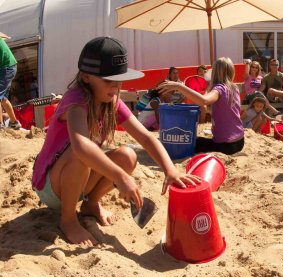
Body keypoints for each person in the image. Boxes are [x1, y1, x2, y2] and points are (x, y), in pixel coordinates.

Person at [31, 37, 200, 246]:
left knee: (128, 155)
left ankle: (90, 204)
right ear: (86, 77)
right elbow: (81, 147)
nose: (115, 87)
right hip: (51, 186)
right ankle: (68, 219)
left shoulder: (111, 102)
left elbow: (146, 138)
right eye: (108, 80)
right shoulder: (76, 101)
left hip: (79, 180)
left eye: (118, 80)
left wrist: (170, 170)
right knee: (82, 151)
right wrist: (120, 178)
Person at [159, 57, 245, 155]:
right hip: (240, 141)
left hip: (227, 145)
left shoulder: (219, 88)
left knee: (192, 142)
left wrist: (178, 86)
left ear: (215, 72)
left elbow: (204, 101)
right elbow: (221, 109)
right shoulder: (234, 88)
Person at [0, 32, 21, 129]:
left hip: (6, 68)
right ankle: (14, 123)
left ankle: (0, 125)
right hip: (9, 67)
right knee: (3, 98)